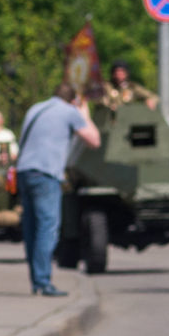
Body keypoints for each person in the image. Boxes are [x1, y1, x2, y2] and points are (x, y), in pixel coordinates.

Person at [18, 83, 101, 296]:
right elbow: (94, 140)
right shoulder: (70, 112)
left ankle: (37, 279)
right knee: (48, 228)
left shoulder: (35, 109)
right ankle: (43, 282)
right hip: (46, 173)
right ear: (73, 100)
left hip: (24, 171)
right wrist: (85, 114)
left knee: (31, 228)